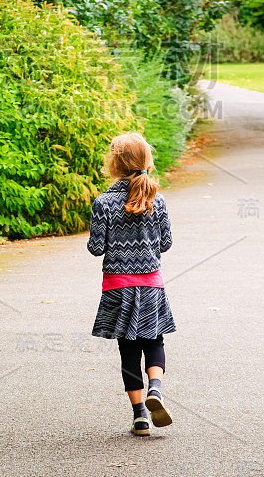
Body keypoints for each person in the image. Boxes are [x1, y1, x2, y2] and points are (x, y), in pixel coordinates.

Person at [87, 132, 176, 436]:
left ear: (113, 163)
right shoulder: (157, 200)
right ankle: (156, 389)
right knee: (154, 341)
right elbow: (165, 243)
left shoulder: (103, 203)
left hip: (117, 287)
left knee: (128, 351)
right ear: (147, 163)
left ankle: (140, 417)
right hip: (152, 285)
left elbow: (97, 248)